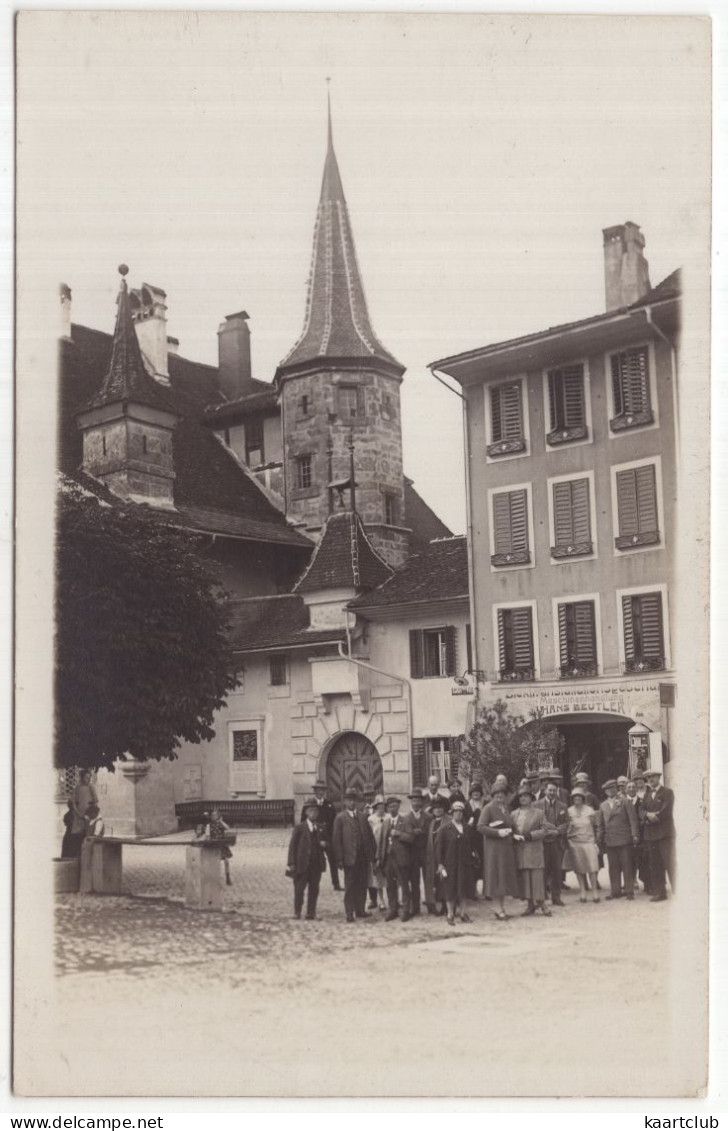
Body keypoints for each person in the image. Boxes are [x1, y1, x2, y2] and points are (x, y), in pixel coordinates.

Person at [332, 788, 376, 923]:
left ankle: (360, 909)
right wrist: (339, 859)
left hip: (363, 857)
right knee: (350, 885)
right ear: (345, 802)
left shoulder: (362, 817)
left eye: (354, 800)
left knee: (362, 884)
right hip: (349, 857)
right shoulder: (340, 818)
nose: (351, 803)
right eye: (349, 800)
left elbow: (370, 836)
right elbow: (336, 840)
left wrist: (372, 854)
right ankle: (349, 912)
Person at [478, 783, 519, 920]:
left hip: (505, 848)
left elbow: (510, 825)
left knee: (502, 878)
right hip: (494, 849)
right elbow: (480, 827)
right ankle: (497, 908)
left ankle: (501, 908)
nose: (499, 796)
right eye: (497, 794)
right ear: (492, 795)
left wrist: (514, 834)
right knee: (496, 877)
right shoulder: (488, 808)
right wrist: (497, 832)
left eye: (502, 793)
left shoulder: (505, 808)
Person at [512, 785, 552, 916]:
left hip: (534, 849)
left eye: (526, 796)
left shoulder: (539, 813)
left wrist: (531, 835)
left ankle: (542, 904)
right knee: (525, 878)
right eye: (521, 796)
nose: (523, 798)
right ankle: (530, 905)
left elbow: (545, 830)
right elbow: (511, 830)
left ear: (531, 798)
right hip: (520, 850)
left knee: (537, 877)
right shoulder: (514, 814)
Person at [596, 779, 639, 900]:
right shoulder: (603, 805)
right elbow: (600, 825)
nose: (610, 791)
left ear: (616, 789)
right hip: (610, 840)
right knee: (613, 867)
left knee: (627, 865)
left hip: (624, 839)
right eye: (608, 790)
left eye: (612, 788)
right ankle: (615, 891)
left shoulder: (625, 801)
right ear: (605, 791)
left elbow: (633, 820)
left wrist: (634, 835)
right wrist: (599, 840)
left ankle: (629, 891)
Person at [287, 797, 327, 920]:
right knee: (299, 889)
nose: (313, 813)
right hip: (302, 864)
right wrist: (291, 863)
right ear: (306, 813)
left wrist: (325, 844)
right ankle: (297, 911)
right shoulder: (300, 828)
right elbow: (292, 846)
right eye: (311, 811)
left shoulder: (321, 827)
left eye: (315, 811)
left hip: (316, 864)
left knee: (314, 889)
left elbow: (327, 843)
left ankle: (311, 912)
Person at [435, 800, 474, 924]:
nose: (458, 813)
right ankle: (450, 914)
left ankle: (463, 913)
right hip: (450, 864)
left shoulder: (467, 828)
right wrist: (440, 864)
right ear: (451, 813)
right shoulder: (445, 829)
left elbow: (471, 846)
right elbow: (439, 848)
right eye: (456, 811)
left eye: (460, 811)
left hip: (465, 864)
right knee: (450, 889)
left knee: (464, 888)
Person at [641, 770, 676, 902]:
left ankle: (678, 891)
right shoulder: (647, 794)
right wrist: (647, 815)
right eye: (648, 777)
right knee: (655, 864)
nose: (650, 779)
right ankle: (660, 892)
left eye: (653, 777)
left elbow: (667, 810)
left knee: (670, 862)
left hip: (665, 833)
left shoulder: (667, 792)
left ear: (659, 778)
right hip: (651, 835)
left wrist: (656, 816)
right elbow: (641, 809)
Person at [304, 779, 342, 891]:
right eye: (318, 790)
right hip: (314, 838)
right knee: (314, 861)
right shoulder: (310, 804)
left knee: (333, 861)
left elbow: (334, 821)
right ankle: (313, 884)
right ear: (315, 791)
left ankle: (336, 884)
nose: (320, 792)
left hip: (328, 837)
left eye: (322, 790)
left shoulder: (329, 804)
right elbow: (304, 821)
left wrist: (333, 837)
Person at [564, 787, 600, 903]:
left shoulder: (589, 810)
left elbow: (596, 826)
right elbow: (567, 827)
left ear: (583, 798)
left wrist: (596, 842)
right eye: (575, 797)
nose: (577, 798)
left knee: (593, 867)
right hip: (575, 842)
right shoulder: (569, 811)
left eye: (579, 796)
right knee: (579, 868)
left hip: (589, 841)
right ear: (572, 799)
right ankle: (583, 891)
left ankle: (594, 892)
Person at [535, 782, 568, 906]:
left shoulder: (562, 806)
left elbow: (566, 823)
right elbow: (535, 821)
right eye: (550, 790)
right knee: (542, 869)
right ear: (545, 791)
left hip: (557, 841)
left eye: (554, 790)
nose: (552, 793)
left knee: (557, 870)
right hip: (542, 842)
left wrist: (557, 831)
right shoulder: (536, 805)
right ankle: (541, 897)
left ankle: (556, 896)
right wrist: (545, 831)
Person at [382, 797, 415, 922]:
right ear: (387, 808)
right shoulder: (386, 822)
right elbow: (382, 841)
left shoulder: (405, 821)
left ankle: (406, 910)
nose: (392, 809)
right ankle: (393, 910)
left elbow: (411, 837)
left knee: (404, 885)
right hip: (389, 858)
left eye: (395, 806)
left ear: (398, 807)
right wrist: (381, 857)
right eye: (390, 807)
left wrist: (399, 834)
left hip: (401, 858)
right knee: (390, 886)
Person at [401, 788, 431, 915]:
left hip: (425, 852)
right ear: (411, 802)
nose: (416, 803)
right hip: (412, 853)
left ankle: (431, 904)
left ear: (422, 802)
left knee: (428, 879)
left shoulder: (429, 817)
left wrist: (422, 832)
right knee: (414, 880)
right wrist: (413, 833)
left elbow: (431, 832)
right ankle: (415, 907)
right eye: (414, 800)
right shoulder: (405, 818)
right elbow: (403, 835)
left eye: (418, 800)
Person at [424, 795, 450, 914]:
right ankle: (432, 904)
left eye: (440, 808)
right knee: (432, 879)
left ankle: (446, 904)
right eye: (435, 808)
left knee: (445, 879)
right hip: (432, 855)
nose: (438, 810)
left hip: (445, 854)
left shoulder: (449, 821)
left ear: (444, 809)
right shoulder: (432, 823)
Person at [65, 770, 98, 858]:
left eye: (89, 777)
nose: (88, 779)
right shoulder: (77, 788)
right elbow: (73, 803)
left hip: (88, 816)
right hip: (79, 816)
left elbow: (95, 802)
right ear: (83, 778)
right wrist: (79, 814)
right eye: (86, 777)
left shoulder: (91, 788)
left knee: (88, 836)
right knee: (77, 837)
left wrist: (91, 815)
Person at [367, 796, 389, 911]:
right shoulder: (371, 819)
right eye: (378, 807)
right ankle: (380, 900)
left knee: (390, 877)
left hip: (387, 850)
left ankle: (393, 899)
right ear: (375, 808)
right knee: (377, 877)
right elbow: (369, 836)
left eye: (383, 807)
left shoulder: (388, 817)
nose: (381, 809)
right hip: (376, 850)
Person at [467, 782, 486, 894]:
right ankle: (473, 890)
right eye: (473, 792)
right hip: (472, 838)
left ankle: (486, 890)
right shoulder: (466, 805)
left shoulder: (486, 804)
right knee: (473, 863)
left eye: (478, 792)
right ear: (470, 793)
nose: (476, 794)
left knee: (485, 863)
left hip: (484, 837)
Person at [207, 807, 234, 885]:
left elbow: (227, 828)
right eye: (212, 815)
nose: (214, 817)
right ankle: (214, 878)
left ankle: (228, 877)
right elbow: (208, 836)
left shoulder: (220, 824)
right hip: (214, 845)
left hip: (222, 845)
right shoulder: (209, 825)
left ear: (218, 816)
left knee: (226, 861)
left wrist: (222, 822)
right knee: (214, 862)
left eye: (215, 815)